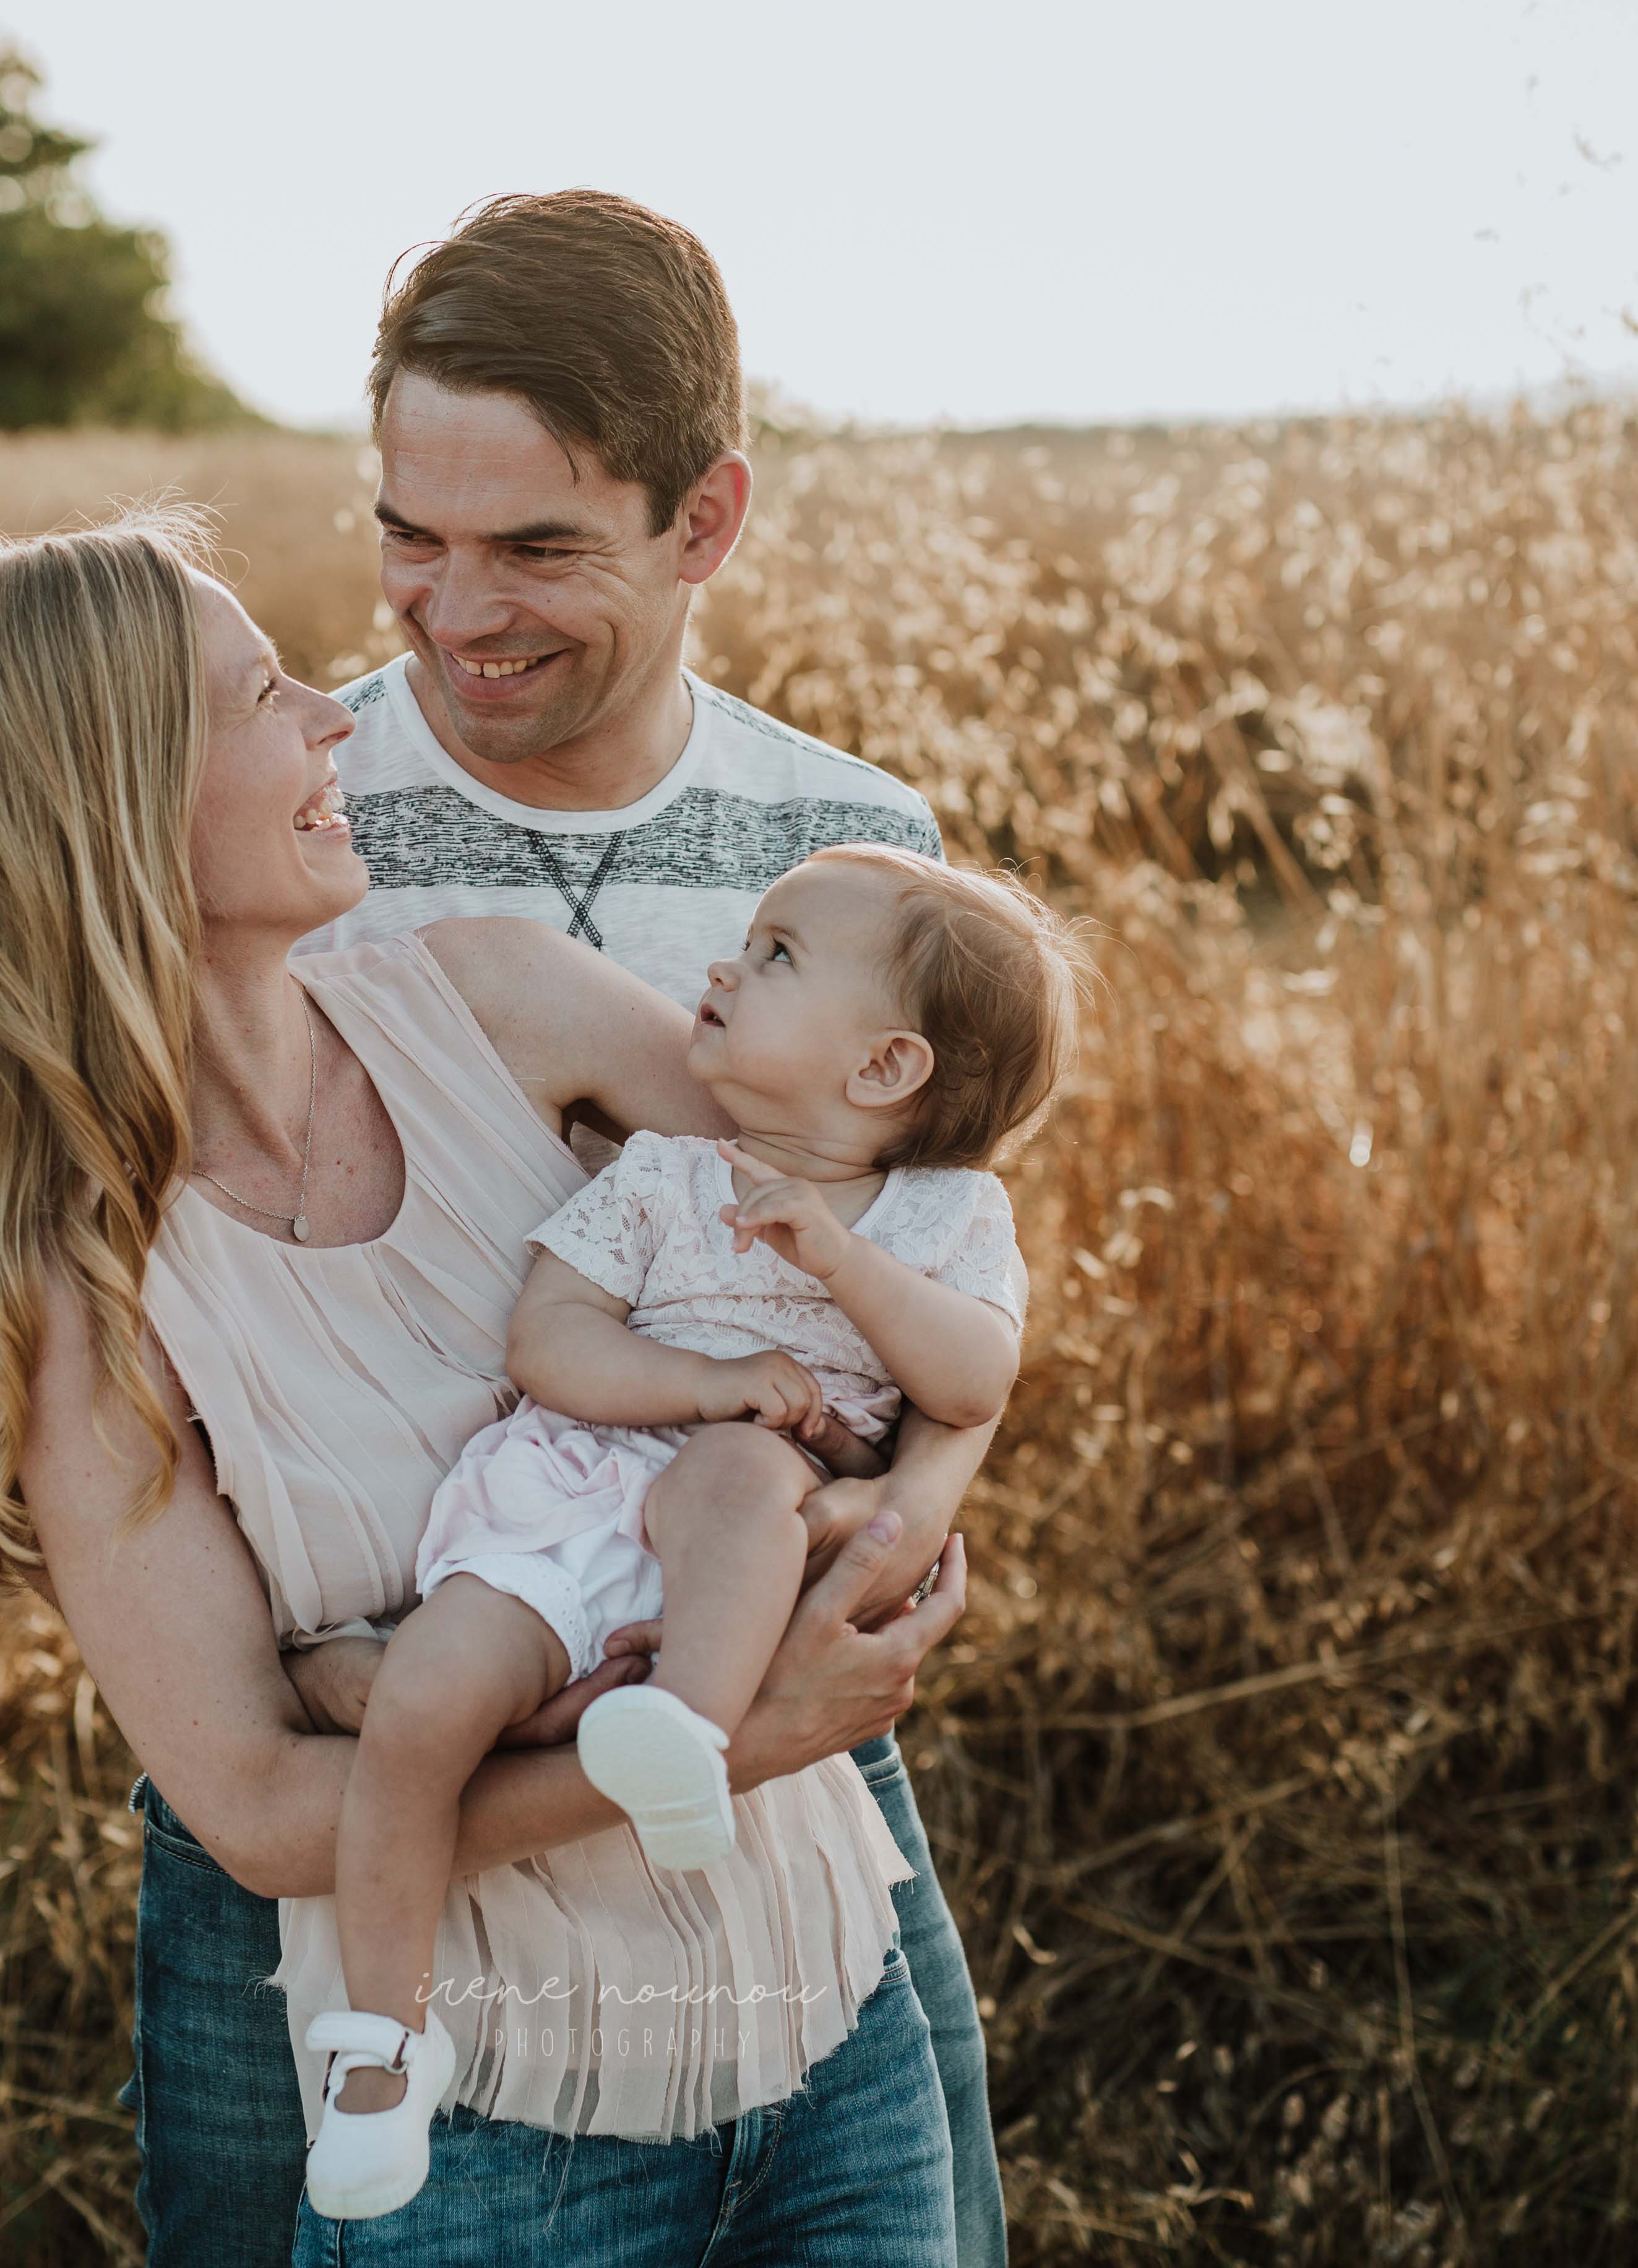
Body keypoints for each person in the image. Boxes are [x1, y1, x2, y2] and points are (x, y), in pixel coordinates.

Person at [0, 509, 975, 2266]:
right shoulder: (74, 1288)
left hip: (819, 2001)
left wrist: (902, 1522)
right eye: (264, 696)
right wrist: (748, 1730)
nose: (338, 717)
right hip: (483, 2119)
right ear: (105, 807)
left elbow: (911, 1237)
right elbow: (262, 1807)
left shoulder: (496, 1001)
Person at [290, 189, 1014, 2266]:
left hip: (754, 1701)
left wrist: (903, 1517)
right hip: (402, 1726)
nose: (453, 611)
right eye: (407, 534)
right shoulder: (285, 819)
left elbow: (943, 1264)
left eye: (534, 549)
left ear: (705, 520)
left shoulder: (851, 853)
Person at [308, 847, 1080, 2222]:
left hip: (743, 1516)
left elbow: (972, 1382)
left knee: (738, 1473)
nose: (725, 965)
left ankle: (684, 1731)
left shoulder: (948, 1217)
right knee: (420, 1703)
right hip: (576, 1490)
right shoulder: (662, 1175)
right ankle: (383, 2042)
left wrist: (839, 1262)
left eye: (777, 955)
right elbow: (550, 1343)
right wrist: (704, 1380)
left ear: (885, 1067)